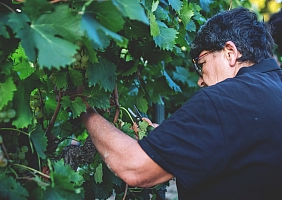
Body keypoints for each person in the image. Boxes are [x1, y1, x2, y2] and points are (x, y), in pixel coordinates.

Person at [80, 7, 282, 199]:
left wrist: (85, 109)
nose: (200, 80)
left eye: (201, 64)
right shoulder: (274, 89)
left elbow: (134, 167)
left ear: (230, 52)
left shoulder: (223, 99)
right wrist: (176, 143)